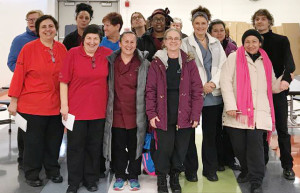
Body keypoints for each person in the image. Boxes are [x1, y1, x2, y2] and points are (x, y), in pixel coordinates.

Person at [220, 29, 287, 193]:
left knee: (255, 146)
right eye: (247, 41)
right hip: (237, 111)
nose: (251, 45)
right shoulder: (234, 57)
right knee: (239, 147)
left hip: (258, 112)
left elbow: (270, 85)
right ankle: (246, 170)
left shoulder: (266, 60)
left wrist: (283, 82)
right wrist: (230, 105)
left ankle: (256, 180)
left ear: (259, 43)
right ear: (243, 43)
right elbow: (225, 81)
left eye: (254, 41)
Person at [8, 15, 67, 187]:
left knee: (54, 141)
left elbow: (66, 77)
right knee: (33, 143)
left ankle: (52, 170)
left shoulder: (62, 48)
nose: (48, 30)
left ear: (56, 29)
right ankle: (32, 173)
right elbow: (19, 76)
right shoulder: (28, 48)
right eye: (44, 27)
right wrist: (14, 101)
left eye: (51, 26)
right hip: (32, 106)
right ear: (38, 30)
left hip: (55, 105)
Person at [146, 28, 203, 193]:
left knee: (181, 147)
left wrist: (195, 115)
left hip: (184, 113)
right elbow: (150, 90)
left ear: (180, 41)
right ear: (164, 41)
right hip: (163, 113)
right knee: (164, 147)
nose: (172, 41)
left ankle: (175, 176)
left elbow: (197, 91)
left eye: (176, 38)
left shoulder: (189, 62)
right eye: (169, 38)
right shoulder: (156, 62)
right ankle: (162, 177)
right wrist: (151, 113)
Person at [59, 24, 112, 193]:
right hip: (76, 111)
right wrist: (64, 106)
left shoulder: (107, 54)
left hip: (98, 111)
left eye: (96, 38)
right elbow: (63, 81)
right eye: (89, 38)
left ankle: (91, 179)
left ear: (100, 39)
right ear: (83, 39)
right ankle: (74, 181)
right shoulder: (73, 53)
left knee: (94, 147)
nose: (92, 41)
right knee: (75, 147)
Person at [181, 5, 226, 182]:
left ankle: (210, 169)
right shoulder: (185, 43)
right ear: (192, 24)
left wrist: (213, 83)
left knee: (211, 135)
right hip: (193, 94)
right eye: (197, 23)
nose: (200, 26)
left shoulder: (216, 43)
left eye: (203, 23)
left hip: (213, 94)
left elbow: (223, 66)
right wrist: (201, 86)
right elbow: (184, 69)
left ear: (207, 24)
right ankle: (191, 169)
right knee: (189, 134)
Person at [252, 9, 296, 181]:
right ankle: (260, 164)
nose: (260, 22)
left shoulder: (281, 40)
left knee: (283, 131)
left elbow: (290, 64)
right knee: (260, 130)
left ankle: (287, 166)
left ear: (269, 22)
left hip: (277, 91)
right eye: (257, 19)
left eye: (264, 19)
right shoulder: (252, 42)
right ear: (254, 22)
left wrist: (285, 81)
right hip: (257, 93)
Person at [103, 31, 150, 191]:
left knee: (135, 145)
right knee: (118, 146)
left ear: (136, 44)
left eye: (132, 42)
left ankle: (134, 175)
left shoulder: (143, 63)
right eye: (126, 42)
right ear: (120, 44)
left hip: (136, 112)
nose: (129, 45)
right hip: (116, 111)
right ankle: (120, 175)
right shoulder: (111, 62)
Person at [6, 9, 43, 171]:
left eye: (34, 19)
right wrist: (29, 76)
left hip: (43, 93)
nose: (31, 22)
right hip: (24, 90)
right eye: (28, 19)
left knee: (40, 128)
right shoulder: (20, 40)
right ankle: (23, 159)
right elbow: (11, 63)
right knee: (25, 128)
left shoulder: (46, 40)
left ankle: (39, 158)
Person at [208, 19, 240, 171]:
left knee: (229, 130)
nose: (219, 33)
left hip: (231, 94)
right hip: (214, 94)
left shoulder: (233, 47)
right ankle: (217, 161)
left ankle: (230, 159)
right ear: (210, 32)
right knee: (215, 130)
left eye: (221, 30)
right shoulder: (207, 47)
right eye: (215, 30)